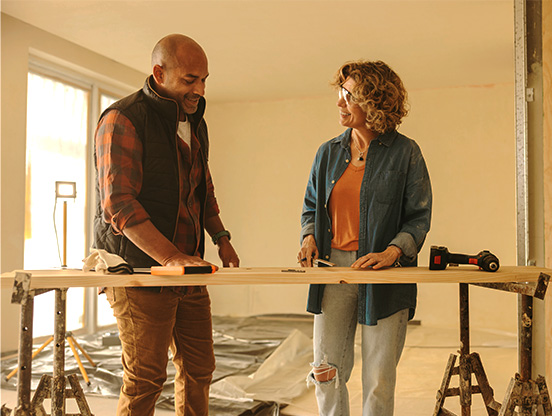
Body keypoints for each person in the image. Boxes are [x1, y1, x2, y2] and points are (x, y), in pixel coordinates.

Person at [94, 34, 240, 416]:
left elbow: (201, 186)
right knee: (145, 378)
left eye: (205, 80)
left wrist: (220, 236)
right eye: (190, 80)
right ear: (159, 73)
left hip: (187, 270)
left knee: (199, 370)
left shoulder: (194, 120)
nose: (200, 89)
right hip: (141, 270)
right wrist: (171, 256)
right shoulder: (123, 119)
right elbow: (118, 204)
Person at [298, 60, 432, 416]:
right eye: (341, 94)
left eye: (350, 96)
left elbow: (419, 216)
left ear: (374, 102)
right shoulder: (327, 153)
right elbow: (311, 206)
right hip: (332, 271)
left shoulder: (406, 153)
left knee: (379, 378)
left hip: (385, 273)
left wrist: (392, 252)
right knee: (326, 370)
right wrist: (309, 237)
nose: (340, 103)